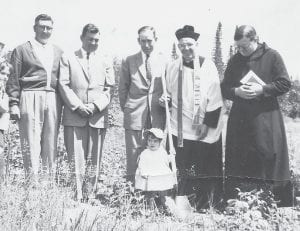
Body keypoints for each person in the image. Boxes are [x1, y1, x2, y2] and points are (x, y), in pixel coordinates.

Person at [221, 25, 293, 207]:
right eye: (238, 47)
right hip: (240, 119)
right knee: (240, 157)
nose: (240, 51)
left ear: (256, 39)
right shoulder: (235, 60)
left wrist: (263, 89)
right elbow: (224, 87)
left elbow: (284, 83)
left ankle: (271, 202)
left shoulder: (272, 56)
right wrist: (236, 91)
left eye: (244, 47)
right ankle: (239, 201)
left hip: (266, 118)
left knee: (266, 155)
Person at [160, 25, 224, 210]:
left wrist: (207, 124)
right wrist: (165, 98)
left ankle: (207, 204)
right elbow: (169, 93)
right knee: (181, 166)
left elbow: (215, 97)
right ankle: (181, 201)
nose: (185, 49)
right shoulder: (172, 67)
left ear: (196, 44)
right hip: (180, 127)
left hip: (204, 126)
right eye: (181, 45)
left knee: (206, 167)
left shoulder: (208, 65)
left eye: (189, 44)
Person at [59, 23, 114, 200]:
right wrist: (78, 106)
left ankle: (90, 194)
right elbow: (63, 84)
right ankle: (76, 195)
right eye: (90, 39)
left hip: (97, 115)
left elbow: (109, 88)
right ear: (82, 38)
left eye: (97, 40)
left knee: (94, 158)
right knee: (75, 158)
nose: (93, 42)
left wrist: (95, 106)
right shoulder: (68, 58)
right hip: (75, 115)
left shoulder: (106, 59)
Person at [6, 14, 63, 176]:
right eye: (42, 27)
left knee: (50, 141)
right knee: (30, 141)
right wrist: (14, 104)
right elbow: (13, 78)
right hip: (30, 96)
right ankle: (32, 182)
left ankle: (47, 183)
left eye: (49, 28)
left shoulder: (58, 51)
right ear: (35, 28)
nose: (45, 31)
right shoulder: (22, 49)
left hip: (53, 98)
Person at [119, 26, 167, 183]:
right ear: (138, 40)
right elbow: (122, 88)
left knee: (156, 153)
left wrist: (167, 98)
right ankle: (132, 191)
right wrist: (128, 109)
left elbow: (170, 87)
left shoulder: (164, 60)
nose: (146, 45)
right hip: (134, 113)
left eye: (149, 41)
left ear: (156, 40)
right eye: (142, 41)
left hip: (157, 113)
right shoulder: (129, 60)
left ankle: (155, 190)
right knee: (134, 154)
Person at [135, 128, 176, 211]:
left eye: (155, 141)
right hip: (149, 176)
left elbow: (166, 161)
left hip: (160, 175)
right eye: (149, 140)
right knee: (150, 193)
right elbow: (141, 164)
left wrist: (171, 157)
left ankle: (164, 205)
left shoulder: (162, 152)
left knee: (163, 192)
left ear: (160, 142)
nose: (152, 143)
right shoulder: (145, 153)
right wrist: (143, 172)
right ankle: (150, 207)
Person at [0, 59, 11, 180]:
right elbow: (3, 108)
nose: (5, 77)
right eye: (3, 73)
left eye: (8, 75)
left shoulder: (3, 89)